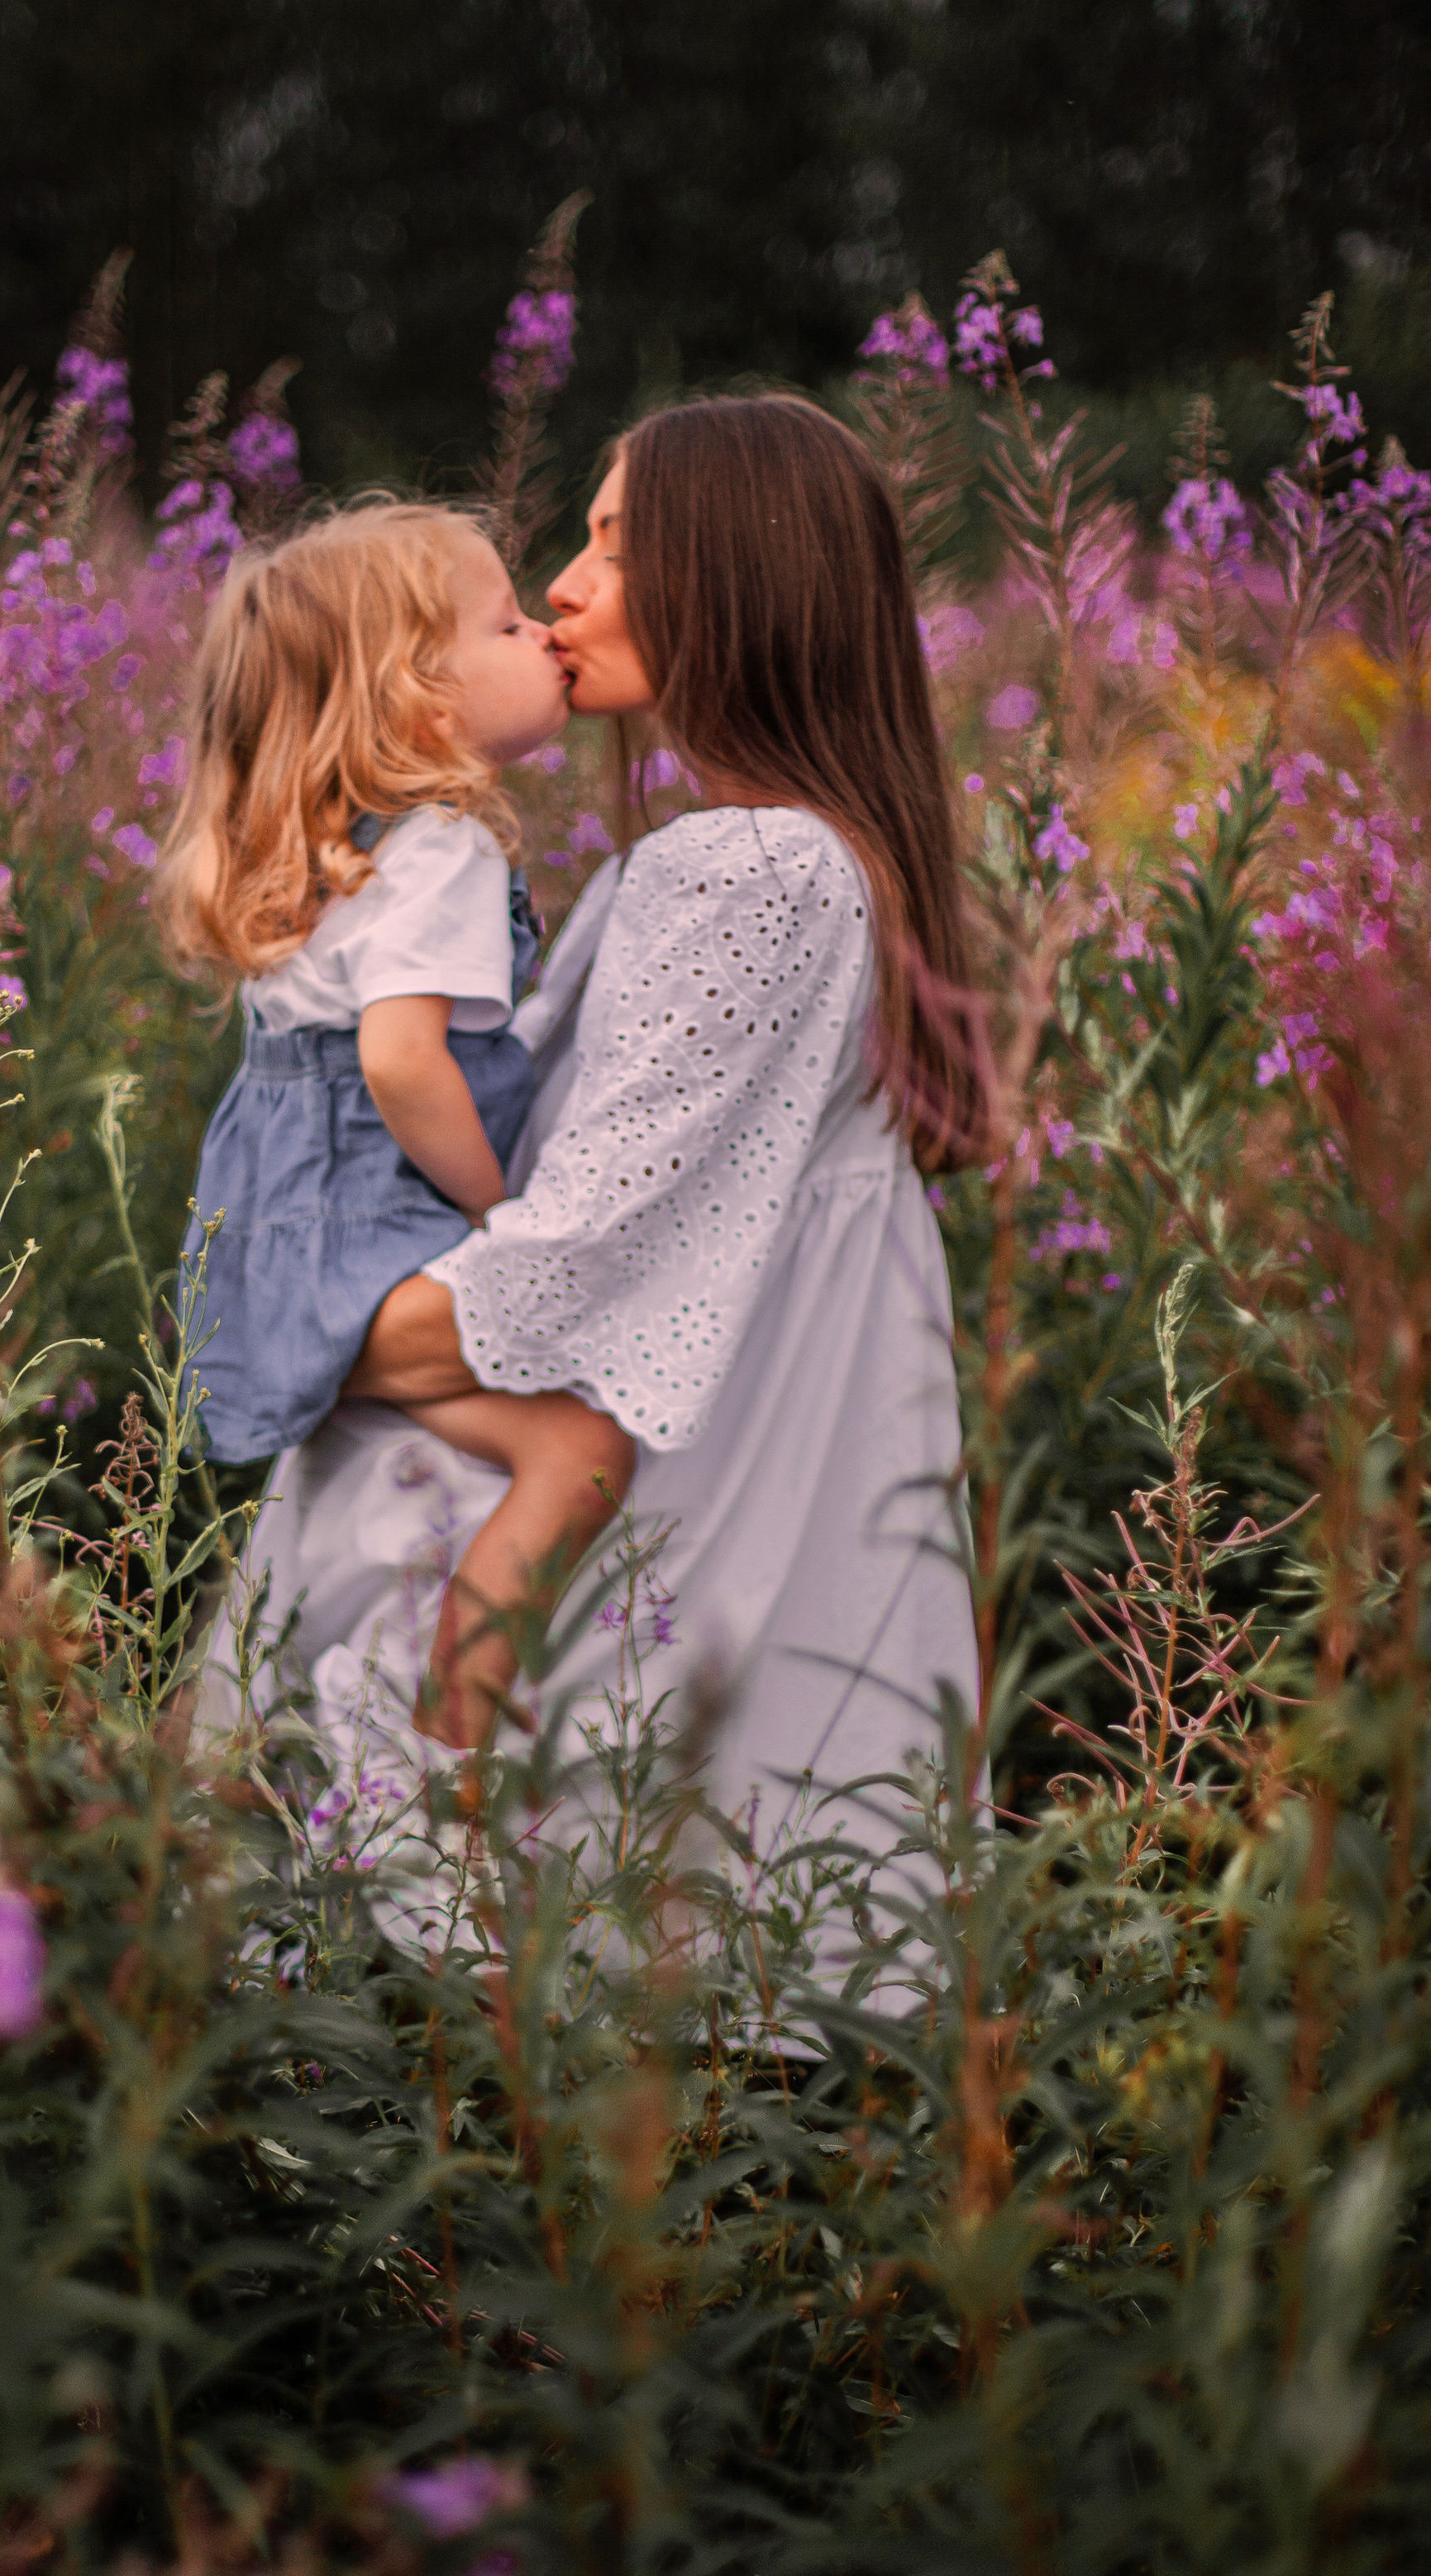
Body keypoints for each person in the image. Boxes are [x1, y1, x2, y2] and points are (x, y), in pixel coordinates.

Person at [222, 398, 989, 1956]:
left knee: (577, 1982)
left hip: (708, 1529)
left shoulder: (753, 869)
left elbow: (567, 1265)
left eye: (616, 547)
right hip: (758, 1504)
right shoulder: (746, 857)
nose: (563, 589)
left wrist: (292, 1323)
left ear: (740, 582)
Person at [157, 501, 637, 1744]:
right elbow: (401, 1062)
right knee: (583, 1449)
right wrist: (500, 1212)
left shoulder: (337, 852)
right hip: (371, 1246)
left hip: (283, 1247)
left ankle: (217, 1762)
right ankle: (448, 1744)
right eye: (506, 624)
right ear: (420, 700)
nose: (544, 631)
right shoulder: (442, 851)